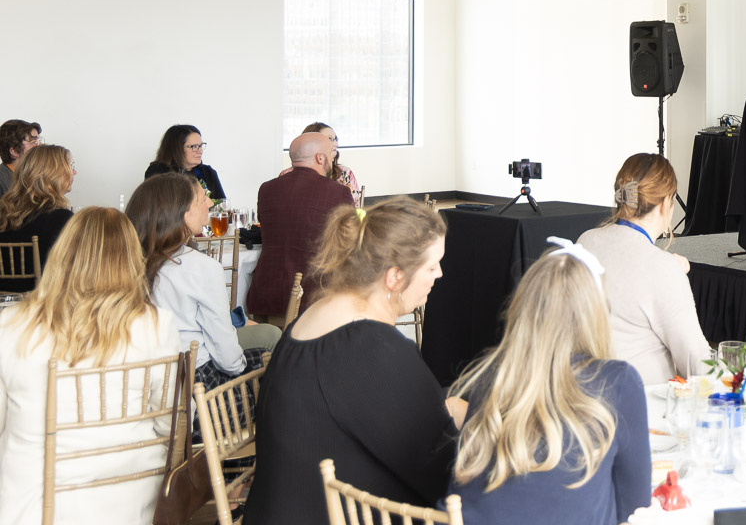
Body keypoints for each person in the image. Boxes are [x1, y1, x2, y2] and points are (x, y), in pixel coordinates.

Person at [245, 198, 461, 525]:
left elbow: (356, 412)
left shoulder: (313, 317)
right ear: (394, 277)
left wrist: (445, 411)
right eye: (432, 266)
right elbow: (445, 473)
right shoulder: (373, 348)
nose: (440, 274)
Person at [448, 239, 651, 525]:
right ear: (597, 314)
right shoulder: (618, 382)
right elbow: (636, 507)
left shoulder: (493, 376)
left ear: (523, 309)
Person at [0, 207, 180, 525]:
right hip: (129, 497)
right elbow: (170, 424)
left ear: (62, 253)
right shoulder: (155, 324)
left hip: (30, 502)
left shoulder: (9, 325)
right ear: (130, 259)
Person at [126, 173, 280, 396]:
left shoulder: (129, 262)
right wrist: (242, 371)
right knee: (282, 364)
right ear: (182, 211)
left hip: (150, 388)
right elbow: (228, 360)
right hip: (199, 390)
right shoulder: (201, 267)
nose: (209, 202)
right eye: (201, 198)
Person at [577, 154, 712, 382]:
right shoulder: (662, 268)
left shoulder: (585, 241)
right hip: (641, 405)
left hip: (582, 395)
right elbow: (697, 364)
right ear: (665, 204)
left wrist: (669, 270)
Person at [245, 131, 350, 320]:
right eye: (330, 154)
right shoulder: (338, 193)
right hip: (314, 296)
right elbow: (349, 241)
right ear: (320, 157)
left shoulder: (267, 189)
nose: (333, 158)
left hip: (268, 293)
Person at [0, 144, 76, 293]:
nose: (74, 172)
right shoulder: (62, 219)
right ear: (52, 174)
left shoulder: (3, 213)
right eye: (70, 166)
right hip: (44, 306)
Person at [145, 124, 228, 205]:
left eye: (200, 146)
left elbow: (222, 208)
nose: (200, 151)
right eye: (194, 146)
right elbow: (158, 211)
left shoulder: (207, 172)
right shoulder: (158, 172)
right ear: (177, 148)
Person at [279, 122, 361, 203]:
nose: (336, 144)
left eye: (335, 139)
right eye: (330, 139)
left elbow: (353, 209)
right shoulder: (286, 174)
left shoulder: (344, 173)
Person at [0, 120, 41, 196]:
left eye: (38, 141)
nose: (40, 146)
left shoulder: (35, 175)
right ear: (15, 151)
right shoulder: (2, 182)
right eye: (33, 142)